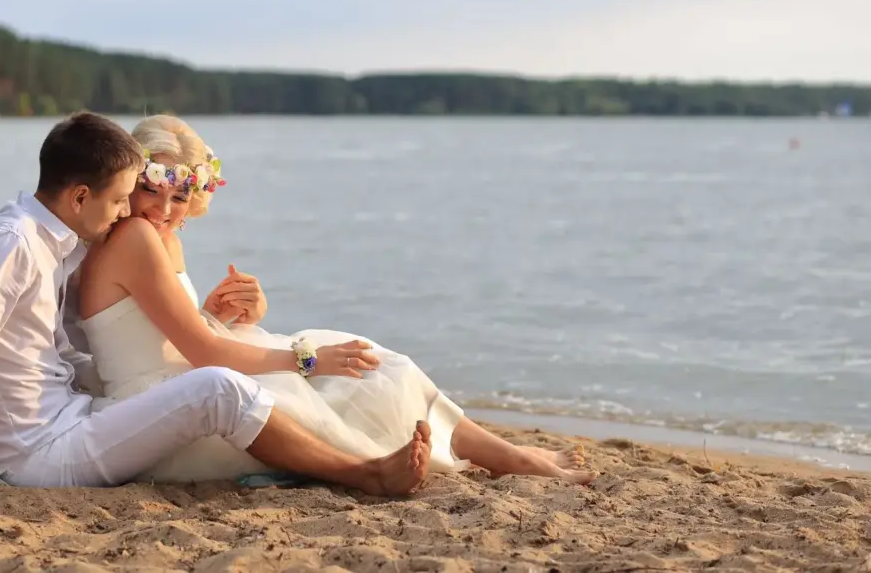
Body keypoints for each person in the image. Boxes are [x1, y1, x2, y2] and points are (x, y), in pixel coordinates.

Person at [0, 112, 434, 520]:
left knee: (217, 383)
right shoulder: (9, 246)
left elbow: (90, 345)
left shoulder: (54, 242)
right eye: (123, 200)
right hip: (31, 455)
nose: (128, 216)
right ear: (81, 194)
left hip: (67, 416)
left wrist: (203, 316)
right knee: (218, 389)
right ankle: (366, 475)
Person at [73, 114, 597, 485]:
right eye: (151, 189)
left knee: (372, 361)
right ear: (129, 178)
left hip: (184, 388)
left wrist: (217, 312)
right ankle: (497, 457)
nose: (164, 208)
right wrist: (307, 362)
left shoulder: (161, 238)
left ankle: (502, 453)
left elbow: (170, 333)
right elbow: (204, 355)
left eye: (180, 195)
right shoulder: (134, 239)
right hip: (162, 416)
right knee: (334, 371)